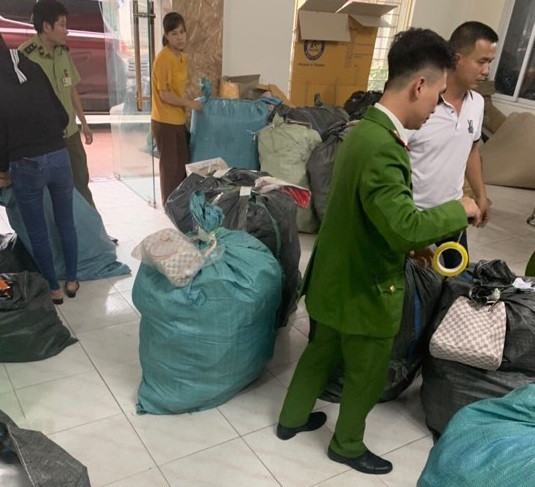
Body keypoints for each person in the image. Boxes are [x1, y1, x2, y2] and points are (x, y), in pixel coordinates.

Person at [276, 28, 482, 475]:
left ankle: (291, 418)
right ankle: (347, 445)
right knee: (366, 372)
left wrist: (416, 245)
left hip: (333, 275)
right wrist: (459, 208)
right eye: (437, 96)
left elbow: (368, 212)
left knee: (319, 351)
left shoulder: (362, 131)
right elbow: (404, 226)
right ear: (419, 86)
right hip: (365, 286)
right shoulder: (384, 149)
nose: (436, 107)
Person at [408, 21, 498, 268]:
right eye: (481, 61)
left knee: (457, 281)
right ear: (457, 59)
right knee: (415, 283)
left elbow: (471, 150)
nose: (487, 70)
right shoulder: (422, 101)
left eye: (490, 62)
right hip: (416, 216)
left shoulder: (477, 103)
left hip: (455, 212)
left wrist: (481, 195)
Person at [0, 33, 79, 304]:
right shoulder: (31, 65)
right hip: (59, 156)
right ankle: (72, 280)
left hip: (25, 164)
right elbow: (62, 115)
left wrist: (2, 170)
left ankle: (54, 289)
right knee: (66, 222)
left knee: (37, 231)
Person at [19, 0, 96, 208]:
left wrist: (84, 123)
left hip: (70, 134)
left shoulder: (63, 52)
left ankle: (92, 227)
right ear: (46, 26)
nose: (66, 30)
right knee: (52, 192)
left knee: (81, 183)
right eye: (62, 25)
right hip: (44, 140)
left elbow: (71, 89)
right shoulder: (25, 56)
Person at [151, 12, 203, 205]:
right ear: (166, 36)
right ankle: (169, 207)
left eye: (182, 32)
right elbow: (164, 94)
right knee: (170, 169)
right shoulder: (163, 59)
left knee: (182, 165)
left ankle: (180, 206)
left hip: (178, 120)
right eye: (174, 33)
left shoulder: (182, 57)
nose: (180, 37)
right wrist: (190, 104)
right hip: (164, 121)